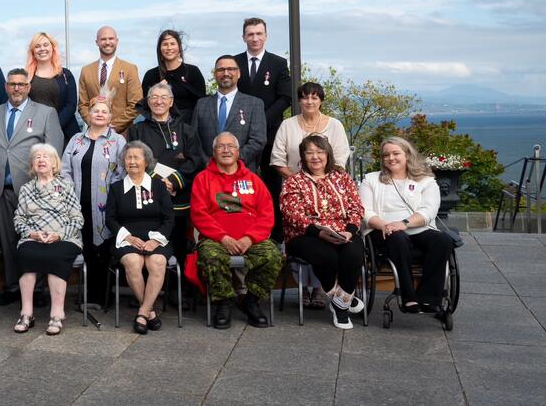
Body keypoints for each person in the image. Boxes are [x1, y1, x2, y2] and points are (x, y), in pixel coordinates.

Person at [0, 68, 64, 305]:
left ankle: (38, 289)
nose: (16, 88)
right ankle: (11, 286)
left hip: (34, 189)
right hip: (1, 189)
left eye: (21, 84)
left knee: (35, 240)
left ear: (28, 87)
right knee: (7, 242)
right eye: (12, 84)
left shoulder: (46, 113)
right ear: (6, 87)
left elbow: (54, 150)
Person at [191, 132, 281, 330]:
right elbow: (199, 214)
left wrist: (249, 239)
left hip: (251, 240)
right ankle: (223, 303)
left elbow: (267, 215)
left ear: (238, 151)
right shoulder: (202, 179)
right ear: (213, 152)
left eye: (230, 146)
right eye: (221, 147)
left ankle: (251, 300)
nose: (226, 150)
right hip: (217, 240)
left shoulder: (254, 180)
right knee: (210, 256)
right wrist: (223, 238)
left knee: (273, 255)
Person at [359, 136, 456, 317]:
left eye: (396, 153)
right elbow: (365, 212)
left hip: (417, 229)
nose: (391, 158)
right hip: (383, 232)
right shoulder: (371, 180)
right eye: (386, 154)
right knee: (397, 237)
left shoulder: (426, 181)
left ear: (407, 155)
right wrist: (386, 225)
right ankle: (408, 295)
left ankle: (429, 297)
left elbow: (429, 211)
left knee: (443, 240)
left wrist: (404, 224)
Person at [280, 135, 366, 329]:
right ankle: (343, 307)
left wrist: (350, 231)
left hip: (343, 231)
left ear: (328, 155)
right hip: (304, 234)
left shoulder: (342, 178)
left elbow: (356, 207)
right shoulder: (294, 181)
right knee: (326, 255)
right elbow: (291, 213)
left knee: (353, 254)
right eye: (309, 152)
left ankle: (339, 301)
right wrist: (317, 231)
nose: (315, 157)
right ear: (302, 157)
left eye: (320, 152)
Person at [126, 82, 203, 276]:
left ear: (171, 102)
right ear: (148, 102)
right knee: (147, 246)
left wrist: (175, 181)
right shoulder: (137, 130)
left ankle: (181, 292)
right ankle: (146, 293)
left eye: (163, 98)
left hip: (179, 198)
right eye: (154, 97)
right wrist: (157, 184)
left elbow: (195, 160)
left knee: (179, 246)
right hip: (147, 196)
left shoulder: (186, 130)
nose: (158, 101)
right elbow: (134, 160)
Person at [12, 144, 84, 336]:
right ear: (32, 164)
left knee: (56, 255)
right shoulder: (26, 189)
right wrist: (32, 234)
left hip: (64, 236)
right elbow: (19, 219)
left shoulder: (66, 186)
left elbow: (78, 218)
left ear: (54, 164)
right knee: (26, 252)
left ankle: (57, 314)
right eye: (37, 157)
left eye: (46, 157)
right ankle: (26, 313)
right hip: (34, 236)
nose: (41, 160)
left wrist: (59, 234)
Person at [106, 141, 175, 334]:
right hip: (127, 238)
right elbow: (110, 219)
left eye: (137, 157)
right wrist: (128, 238)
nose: (132, 161)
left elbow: (169, 218)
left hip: (156, 237)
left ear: (147, 161)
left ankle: (143, 312)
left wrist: (157, 240)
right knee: (133, 262)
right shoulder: (116, 188)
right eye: (128, 157)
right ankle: (150, 313)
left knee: (157, 262)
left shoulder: (159, 186)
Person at [62, 100, 125, 301]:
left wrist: (112, 196)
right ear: (88, 115)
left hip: (105, 205)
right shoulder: (76, 140)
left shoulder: (118, 141)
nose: (99, 114)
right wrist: (70, 193)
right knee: (85, 246)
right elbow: (64, 169)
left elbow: (122, 173)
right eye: (95, 111)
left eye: (104, 112)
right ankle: (87, 293)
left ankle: (101, 295)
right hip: (78, 203)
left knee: (102, 249)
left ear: (110, 117)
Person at [235, 17, 293, 238]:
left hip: (270, 135)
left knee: (271, 186)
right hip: (241, 136)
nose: (255, 38)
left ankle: (276, 235)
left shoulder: (278, 63)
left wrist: (260, 120)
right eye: (250, 34)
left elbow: (285, 97)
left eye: (259, 33)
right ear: (244, 37)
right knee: (242, 186)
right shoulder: (235, 62)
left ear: (266, 36)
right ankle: (244, 230)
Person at [191, 55, 267, 172]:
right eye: (221, 70)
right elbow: (194, 139)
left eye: (231, 69)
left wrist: (232, 162)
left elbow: (258, 140)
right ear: (215, 74)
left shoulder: (255, 104)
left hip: (242, 172)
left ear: (239, 73)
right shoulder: (201, 104)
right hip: (208, 173)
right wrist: (208, 163)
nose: (226, 73)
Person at [271, 82, 351, 180]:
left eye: (314, 98)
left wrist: (322, 182)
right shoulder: (287, 125)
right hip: (294, 186)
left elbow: (340, 161)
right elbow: (278, 160)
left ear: (321, 101)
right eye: (305, 98)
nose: (309, 102)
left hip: (329, 187)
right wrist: (300, 183)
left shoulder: (335, 125)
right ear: (299, 101)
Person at [78, 26, 143, 134]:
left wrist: (113, 126)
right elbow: (82, 104)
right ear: (97, 42)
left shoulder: (129, 69)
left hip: (122, 134)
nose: (107, 42)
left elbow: (136, 103)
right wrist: (93, 122)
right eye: (103, 39)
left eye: (111, 39)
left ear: (117, 41)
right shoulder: (86, 71)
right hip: (93, 133)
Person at [139, 29, 207, 124]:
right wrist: (157, 89)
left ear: (179, 47)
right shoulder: (151, 75)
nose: (169, 47)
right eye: (165, 44)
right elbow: (145, 105)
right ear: (160, 48)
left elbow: (202, 103)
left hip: (188, 126)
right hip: (159, 127)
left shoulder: (192, 71)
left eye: (172, 44)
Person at [25, 31, 80, 140]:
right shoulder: (26, 77)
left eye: (45, 45)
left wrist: (53, 126)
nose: (42, 49)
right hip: (35, 134)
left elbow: (71, 105)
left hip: (64, 132)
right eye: (37, 46)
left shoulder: (65, 74)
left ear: (52, 48)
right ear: (33, 51)